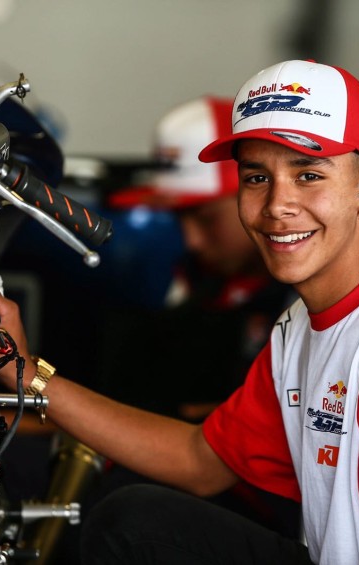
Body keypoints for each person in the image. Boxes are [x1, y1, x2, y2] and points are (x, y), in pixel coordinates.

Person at [0, 59, 359, 564]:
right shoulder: (301, 325)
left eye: (308, 174)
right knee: (133, 521)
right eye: (257, 176)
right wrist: (26, 372)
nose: (278, 205)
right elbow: (197, 459)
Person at [103, 95, 294, 423]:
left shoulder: (310, 298)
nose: (191, 240)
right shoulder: (179, 289)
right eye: (179, 218)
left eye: (205, 218)